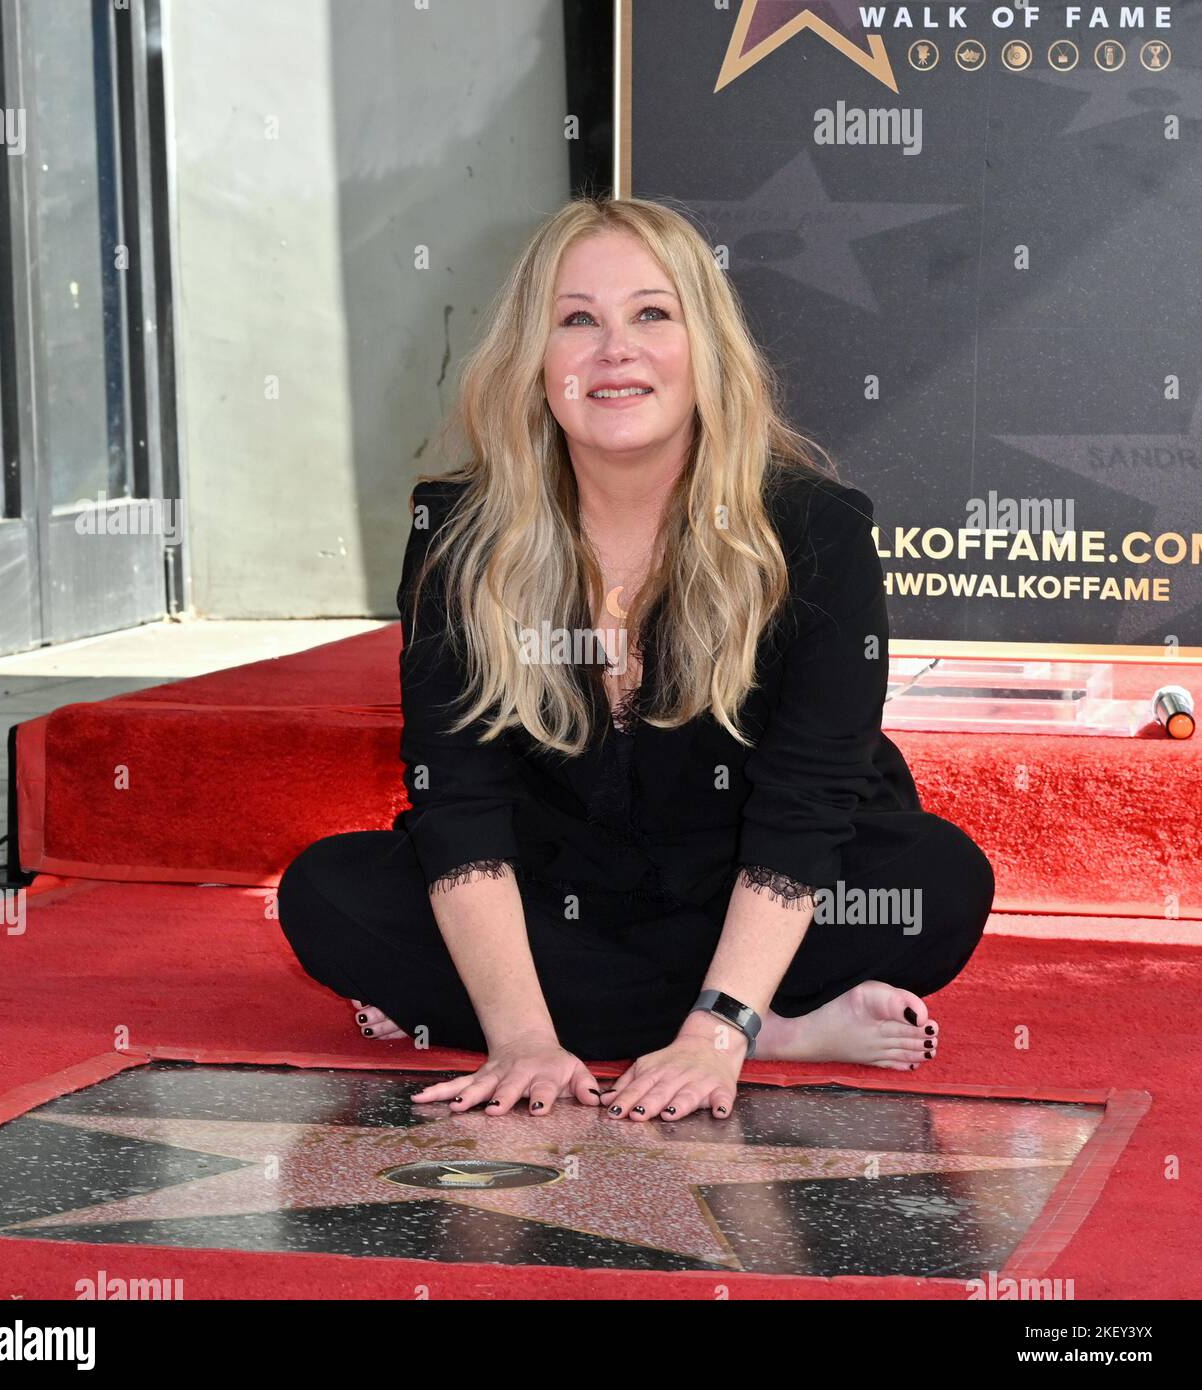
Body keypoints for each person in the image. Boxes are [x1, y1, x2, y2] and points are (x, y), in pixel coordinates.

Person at [277, 195, 995, 1125]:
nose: (615, 350)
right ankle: (766, 1026)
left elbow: (807, 803)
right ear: (535, 363)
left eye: (653, 314)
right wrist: (522, 1037)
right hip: (557, 884)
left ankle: (710, 1015)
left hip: (745, 881)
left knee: (936, 885)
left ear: (707, 347)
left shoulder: (815, 530)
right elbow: (459, 800)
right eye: (577, 320)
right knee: (328, 898)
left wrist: (715, 1027)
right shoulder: (455, 533)